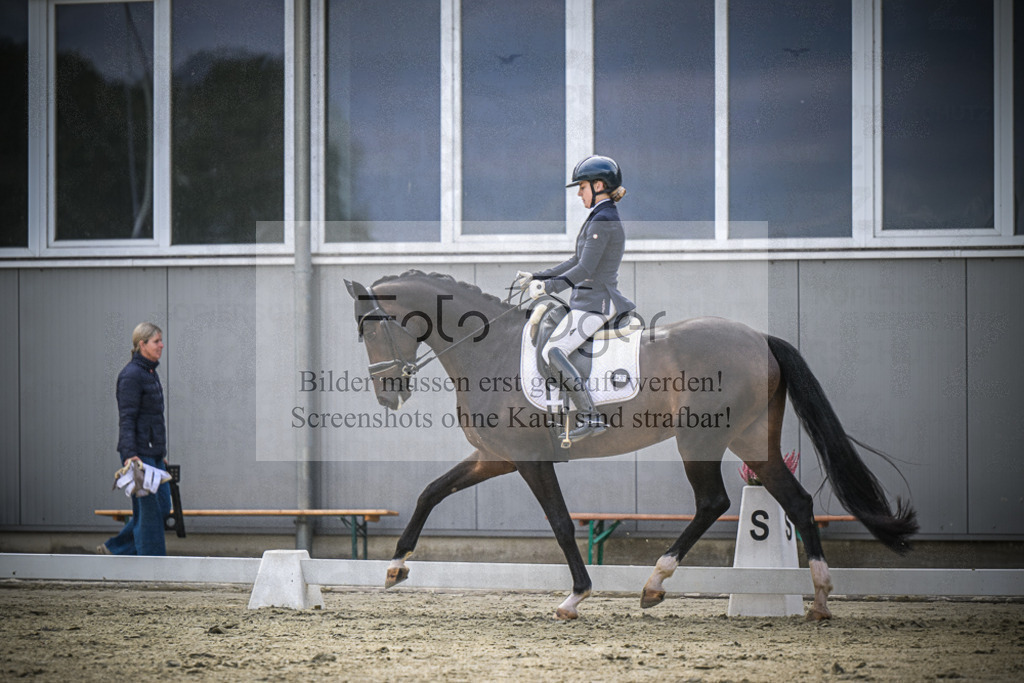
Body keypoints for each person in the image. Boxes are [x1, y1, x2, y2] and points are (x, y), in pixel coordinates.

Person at [514, 155, 636, 442]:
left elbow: (585, 270)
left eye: (582, 187)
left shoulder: (604, 219)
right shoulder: (598, 217)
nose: (579, 193)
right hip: (586, 301)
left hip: (597, 304)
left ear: (599, 185)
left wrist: (549, 288)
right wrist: (538, 276)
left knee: (553, 351)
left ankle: (590, 416)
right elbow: (576, 260)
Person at [98, 322, 172, 556]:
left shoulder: (149, 373)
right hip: (138, 455)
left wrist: (160, 454)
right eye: (156, 341)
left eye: (161, 341)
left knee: (162, 506)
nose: (161, 345)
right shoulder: (131, 376)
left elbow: (153, 419)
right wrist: (131, 455)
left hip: (153, 454)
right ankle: (153, 565)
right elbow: (127, 418)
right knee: (149, 514)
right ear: (142, 344)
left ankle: (115, 549)